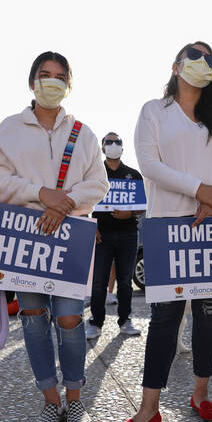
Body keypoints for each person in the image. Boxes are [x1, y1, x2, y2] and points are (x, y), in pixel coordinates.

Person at [103, 41, 212, 422]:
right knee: (165, 317)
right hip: (169, 224)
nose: (202, 64)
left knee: (207, 312)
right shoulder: (155, 110)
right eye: (194, 56)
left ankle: (201, 393)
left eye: (210, 58)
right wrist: (199, 189)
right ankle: (149, 409)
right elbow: (149, 163)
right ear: (176, 65)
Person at [0, 51, 109, 422]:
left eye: (59, 76)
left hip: (68, 238)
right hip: (24, 238)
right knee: (34, 319)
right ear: (31, 81)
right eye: (44, 74)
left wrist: (63, 202)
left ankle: (75, 399)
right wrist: (41, 194)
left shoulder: (84, 133)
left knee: (70, 318)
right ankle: (49, 401)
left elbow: (98, 184)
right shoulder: (8, 129)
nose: (51, 81)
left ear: (68, 84)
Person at [85, 132, 143, 339]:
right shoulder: (94, 174)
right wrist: (93, 228)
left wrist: (130, 212)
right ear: (102, 148)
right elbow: (84, 203)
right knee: (99, 282)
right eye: (109, 142)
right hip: (102, 235)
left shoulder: (133, 174)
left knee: (125, 281)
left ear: (122, 147)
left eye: (117, 141)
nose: (113, 145)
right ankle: (95, 322)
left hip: (128, 234)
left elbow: (142, 207)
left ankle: (125, 320)